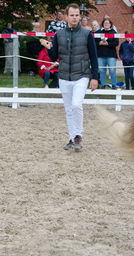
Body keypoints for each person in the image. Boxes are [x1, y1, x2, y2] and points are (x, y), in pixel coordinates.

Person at [40, 3, 98, 152]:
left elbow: (94, 57)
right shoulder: (59, 34)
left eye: (77, 15)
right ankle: (72, 138)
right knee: (68, 109)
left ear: (80, 16)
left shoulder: (87, 34)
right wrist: (48, 46)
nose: (74, 18)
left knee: (76, 105)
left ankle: (78, 135)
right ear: (66, 16)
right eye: (71, 15)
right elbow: (54, 57)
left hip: (82, 75)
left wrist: (94, 77)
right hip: (64, 75)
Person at [94, 18, 119, 89]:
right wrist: (99, 43)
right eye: (105, 23)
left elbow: (116, 43)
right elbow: (94, 42)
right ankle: (103, 84)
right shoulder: (98, 32)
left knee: (112, 70)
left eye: (107, 23)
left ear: (110, 24)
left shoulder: (113, 32)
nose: (106, 24)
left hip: (111, 55)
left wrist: (108, 44)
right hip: (100, 55)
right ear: (102, 24)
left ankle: (114, 85)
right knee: (101, 70)